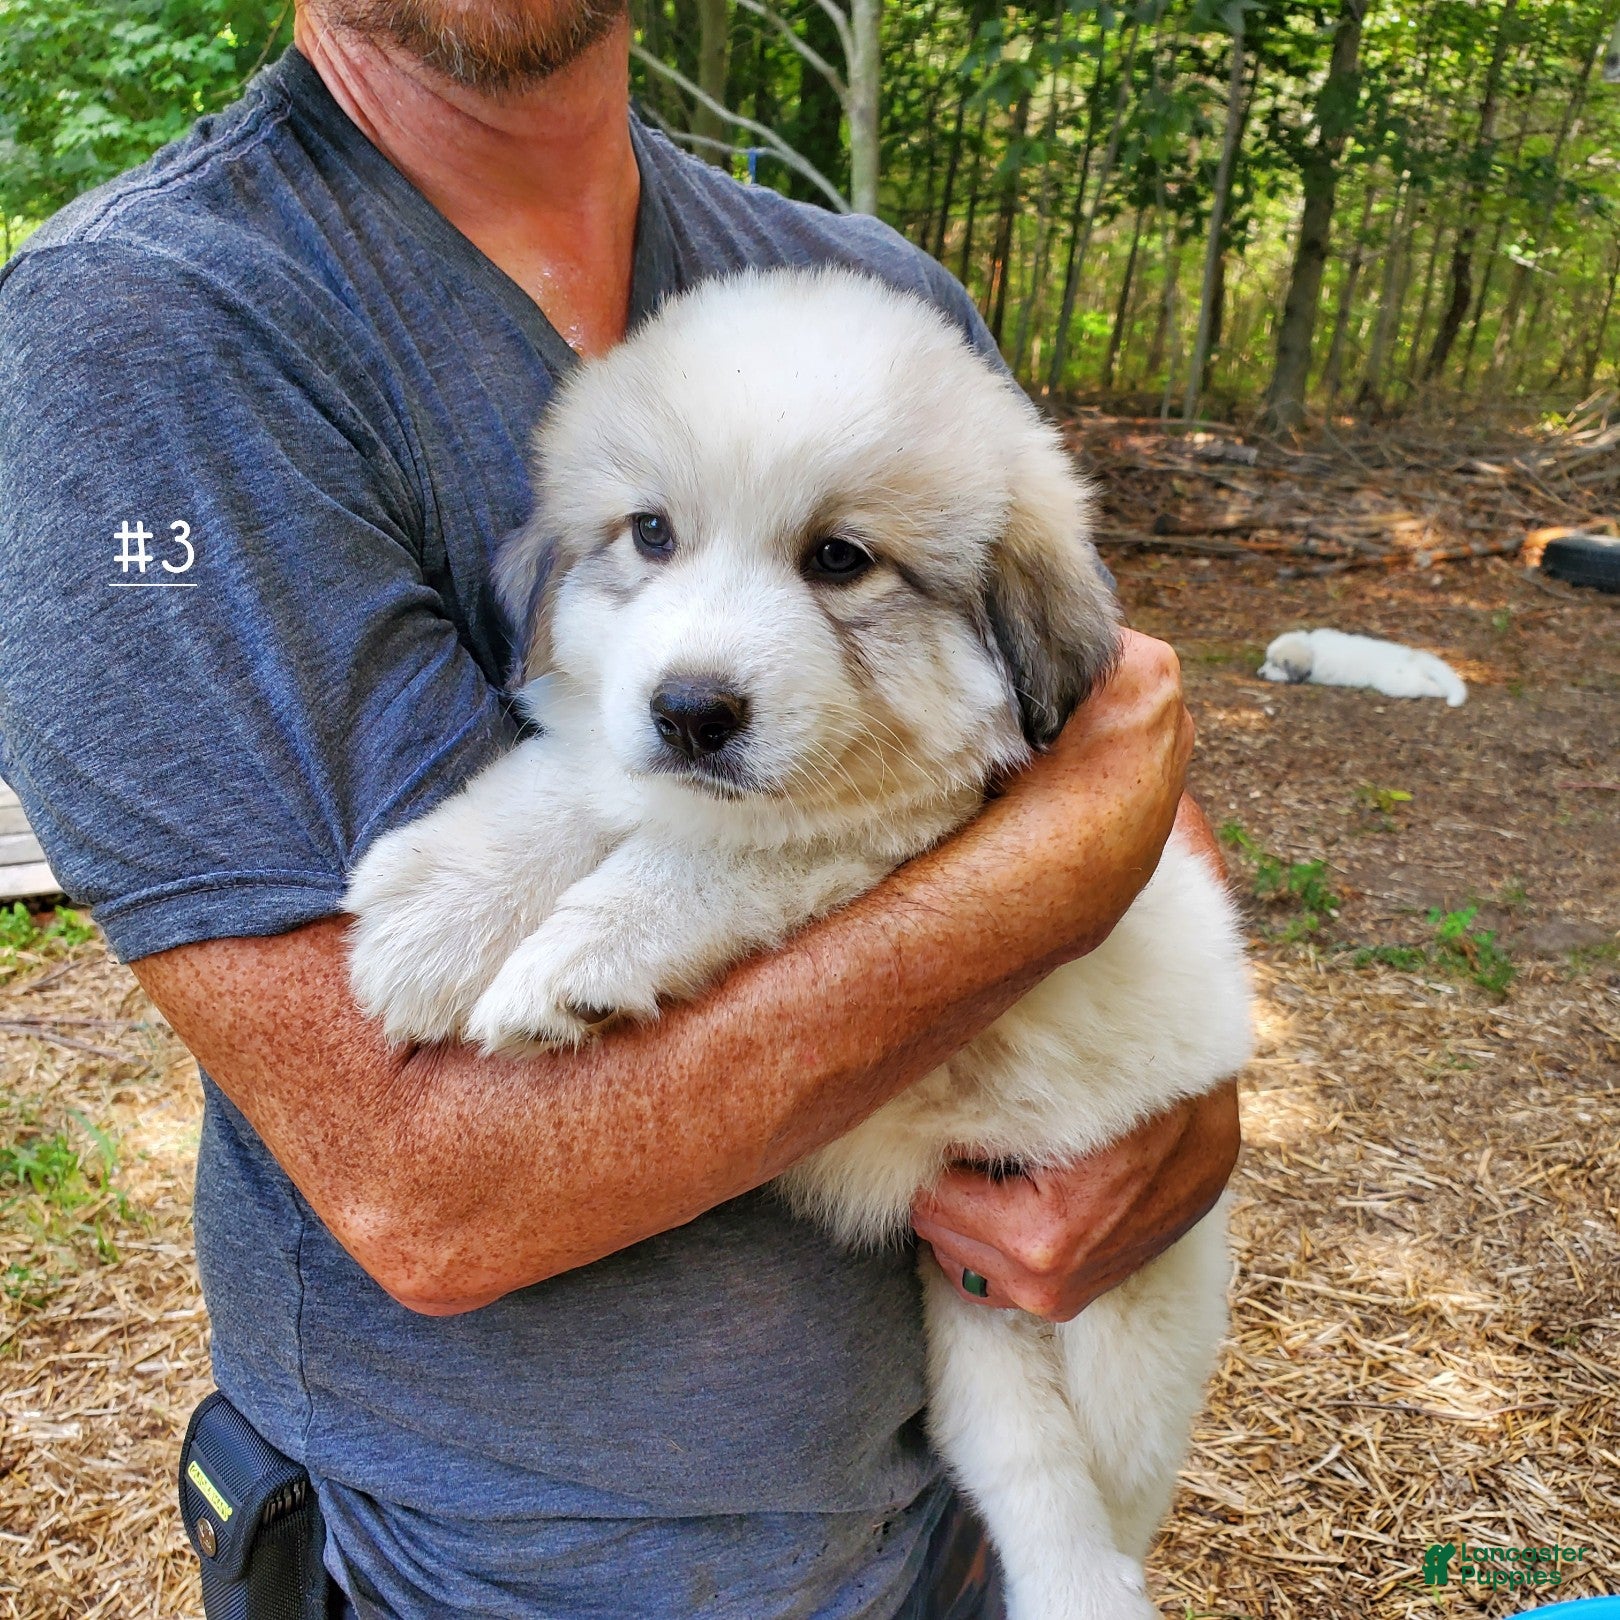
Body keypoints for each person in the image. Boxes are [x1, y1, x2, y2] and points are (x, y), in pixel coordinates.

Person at [0, 3, 1240, 1615]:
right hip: (511, 1573)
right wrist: (1039, 888)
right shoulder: (145, 340)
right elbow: (426, 1190)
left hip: (957, 1515)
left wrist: (1193, 1116)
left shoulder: (862, 292)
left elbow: (1095, 735)